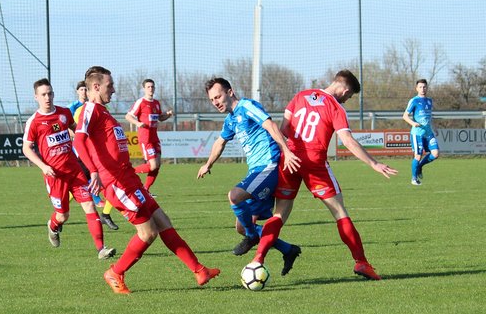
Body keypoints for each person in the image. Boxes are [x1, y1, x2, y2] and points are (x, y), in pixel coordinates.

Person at [73, 66, 220, 294]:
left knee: (163, 221)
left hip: (130, 178)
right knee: (148, 232)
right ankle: (115, 272)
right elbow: (79, 141)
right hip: (117, 183)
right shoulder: (90, 109)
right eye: (109, 85)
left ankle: (200, 270)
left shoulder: (104, 112)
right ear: (95, 86)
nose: (113, 89)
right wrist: (92, 171)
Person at [250, 70, 397, 281]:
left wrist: (289, 153)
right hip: (314, 163)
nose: (348, 100)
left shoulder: (300, 96)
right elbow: (347, 140)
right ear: (345, 89)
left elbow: (284, 129)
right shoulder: (336, 107)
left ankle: (258, 259)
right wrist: (373, 163)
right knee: (340, 212)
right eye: (350, 96)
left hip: (289, 159)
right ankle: (361, 262)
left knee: (279, 214)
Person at [197, 77, 302, 274]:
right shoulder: (230, 120)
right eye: (212, 100)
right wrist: (208, 164)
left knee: (234, 196)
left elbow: (270, 125)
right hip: (255, 171)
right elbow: (220, 142)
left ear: (230, 92)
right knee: (241, 227)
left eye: (218, 96)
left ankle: (253, 236)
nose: (216, 102)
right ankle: (288, 249)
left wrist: (286, 151)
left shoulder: (247, 106)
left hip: (268, 166)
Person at [22, 78, 116, 260]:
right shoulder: (33, 122)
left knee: (89, 205)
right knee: (63, 215)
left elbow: (76, 130)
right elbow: (26, 148)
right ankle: (53, 226)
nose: (47, 97)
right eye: (43, 95)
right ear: (36, 97)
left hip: (75, 171)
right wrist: (43, 166)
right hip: (55, 176)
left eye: (50, 93)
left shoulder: (64, 113)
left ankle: (101, 249)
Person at [72, 94, 120, 231]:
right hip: (86, 157)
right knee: (77, 187)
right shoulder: (82, 110)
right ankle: (60, 213)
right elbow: (76, 132)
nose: (82, 92)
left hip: (98, 158)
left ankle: (106, 214)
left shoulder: (103, 108)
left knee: (113, 185)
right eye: (81, 90)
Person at [125, 79, 173, 193]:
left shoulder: (156, 103)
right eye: (148, 87)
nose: (150, 88)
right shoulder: (140, 102)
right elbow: (128, 116)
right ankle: (128, 171)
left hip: (154, 137)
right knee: (152, 165)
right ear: (144, 89)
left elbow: (160, 118)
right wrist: (138, 123)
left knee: (157, 165)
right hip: (145, 138)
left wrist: (167, 115)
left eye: (152, 86)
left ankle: (146, 189)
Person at [402, 79, 440, 186]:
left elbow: (429, 117)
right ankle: (414, 179)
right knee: (417, 156)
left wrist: (434, 127)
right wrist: (413, 123)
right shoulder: (414, 101)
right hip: (417, 133)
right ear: (416, 88)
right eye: (420, 87)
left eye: (424, 87)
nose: (422, 89)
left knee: (435, 154)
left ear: (427, 88)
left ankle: (419, 166)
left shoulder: (429, 101)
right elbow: (405, 116)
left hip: (428, 133)